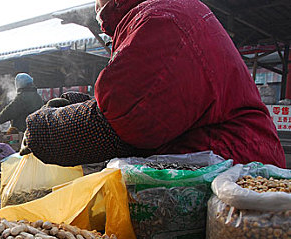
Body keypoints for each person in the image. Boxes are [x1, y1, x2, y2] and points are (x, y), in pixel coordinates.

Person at [21, 0, 285, 168]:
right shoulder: (167, 11)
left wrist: (43, 130)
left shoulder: (160, 19)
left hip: (233, 177)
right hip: (221, 164)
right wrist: (81, 106)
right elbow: (145, 100)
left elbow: (131, 123)